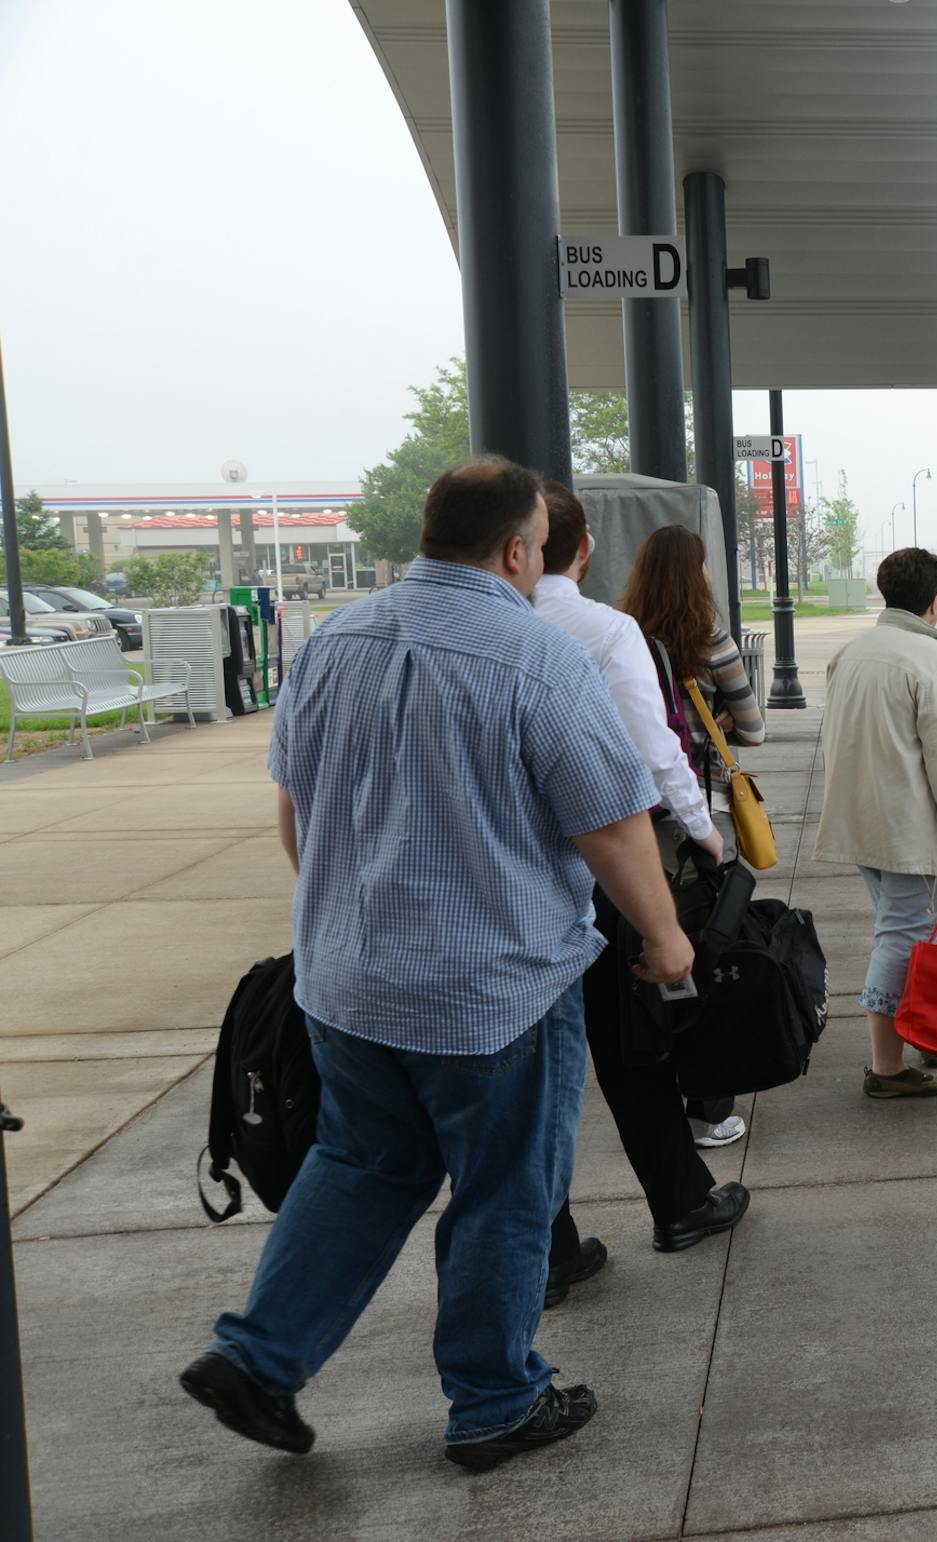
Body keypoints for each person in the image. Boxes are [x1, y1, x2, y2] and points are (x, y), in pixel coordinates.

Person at [181, 457, 696, 1471]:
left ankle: (259, 1358)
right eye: (538, 552)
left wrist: (344, 916)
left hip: (346, 983)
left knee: (362, 1163)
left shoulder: (336, 642)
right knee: (507, 1189)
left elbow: (296, 808)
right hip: (493, 993)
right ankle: (496, 1400)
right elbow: (612, 824)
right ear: (515, 549)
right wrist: (665, 935)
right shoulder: (538, 656)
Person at [533, 490, 753, 1306]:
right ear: (582, 547)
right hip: (601, 873)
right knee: (632, 1044)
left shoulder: (456, 633)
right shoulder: (600, 630)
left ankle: (549, 1241)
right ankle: (680, 1201)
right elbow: (652, 753)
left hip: (500, 888)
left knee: (530, 1075)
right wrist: (704, 834)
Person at [814, 547, 937, 1098]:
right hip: (915, 833)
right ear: (934, 603)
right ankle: (886, 1067)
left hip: (865, 824)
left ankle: (918, 1032)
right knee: (901, 940)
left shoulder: (853, 652)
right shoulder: (933, 660)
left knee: (907, 936)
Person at [615, 523, 766, 1146]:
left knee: (656, 942)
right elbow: (752, 725)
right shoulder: (708, 637)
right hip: (700, 811)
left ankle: (658, 1069)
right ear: (694, 573)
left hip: (636, 815)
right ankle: (709, 1103)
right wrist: (721, 718)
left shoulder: (622, 633)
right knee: (710, 945)